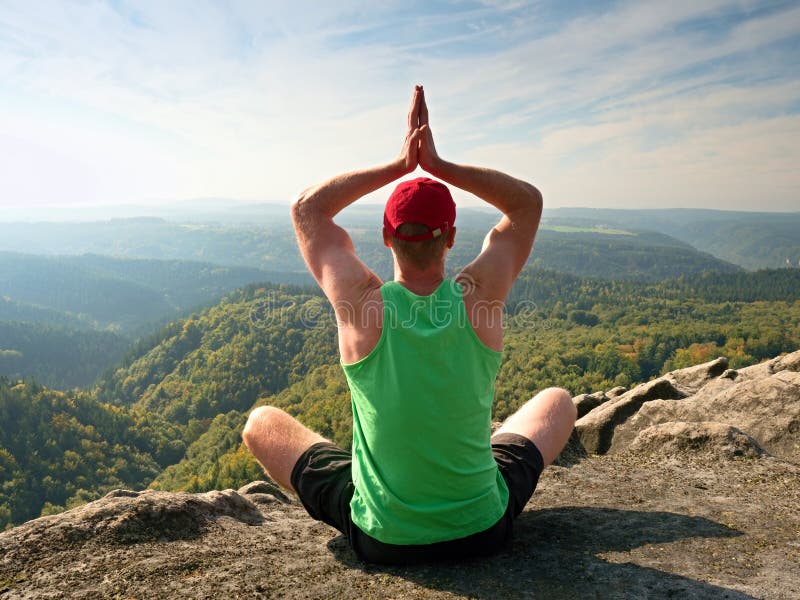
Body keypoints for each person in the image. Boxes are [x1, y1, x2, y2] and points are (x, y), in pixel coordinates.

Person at [242, 85, 576, 565]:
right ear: (452, 238)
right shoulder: (478, 297)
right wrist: (438, 166)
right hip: (483, 527)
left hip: (385, 537)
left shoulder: (362, 305)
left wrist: (399, 166)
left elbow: (306, 209)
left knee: (261, 423)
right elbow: (527, 203)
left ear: (385, 236)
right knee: (558, 401)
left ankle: (389, 486)